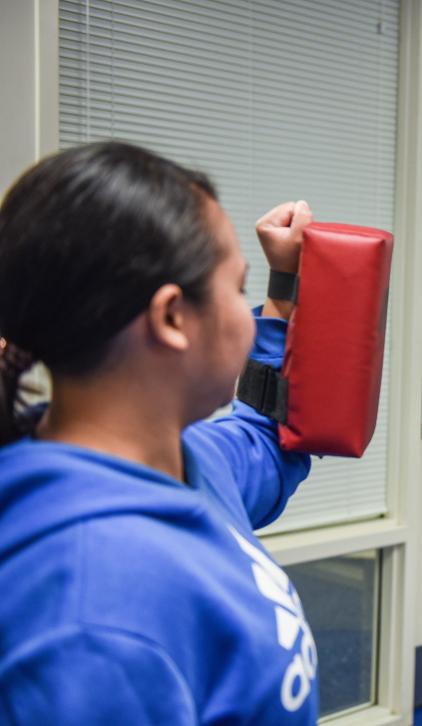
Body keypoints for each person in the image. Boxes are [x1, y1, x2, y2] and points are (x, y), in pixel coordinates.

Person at [0, 142, 320, 723]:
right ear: (172, 317)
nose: (243, 313)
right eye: (235, 286)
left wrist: (281, 292)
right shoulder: (89, 616)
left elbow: (262, 441)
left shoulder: (181, 460)